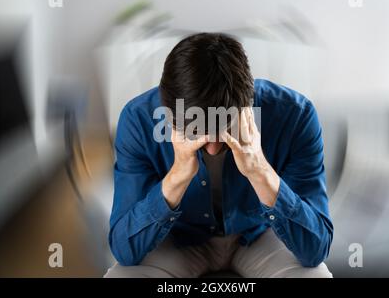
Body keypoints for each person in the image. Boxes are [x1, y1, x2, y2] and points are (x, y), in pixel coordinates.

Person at [104, 33, 333, 278]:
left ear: (248, 104)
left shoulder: (295, 115)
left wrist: (259, 170)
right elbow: (124, 251)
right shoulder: (138, 118)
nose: (212, 148)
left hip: (259, 234)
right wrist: (177, 176)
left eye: (226, 131)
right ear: (168, 114)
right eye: (197, 133)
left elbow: (315, 249)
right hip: (178, 238)